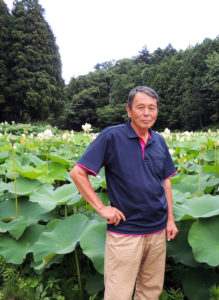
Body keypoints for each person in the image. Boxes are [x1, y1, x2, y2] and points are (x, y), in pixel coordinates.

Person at [70, 86, 178, 300]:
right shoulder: (112, 136)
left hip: (157, 231)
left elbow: (166, 181)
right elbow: (77, 173)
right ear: (129, 110)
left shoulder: (159, 141)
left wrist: (171, 220)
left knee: (150, 292)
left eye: (152, 108)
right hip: (126, 233)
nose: (147, 113)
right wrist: (101, 208)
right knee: (118, 294)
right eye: (140, 107)